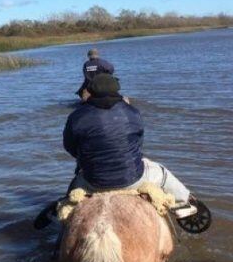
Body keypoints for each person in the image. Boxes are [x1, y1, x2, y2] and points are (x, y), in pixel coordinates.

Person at [36, 74, 205, 230]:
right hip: (133, 178)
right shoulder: (132, 112)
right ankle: (184, 204)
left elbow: (69, 146)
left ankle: (63, 209)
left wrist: (86, 158)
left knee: (74, 187)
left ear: (91, 91)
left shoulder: (76, 116)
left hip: (93, 182)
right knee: (162, 172)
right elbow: (138, 142)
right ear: (116, 89)